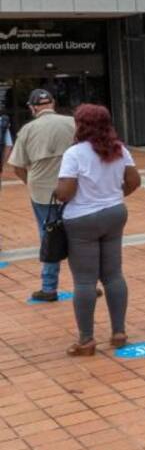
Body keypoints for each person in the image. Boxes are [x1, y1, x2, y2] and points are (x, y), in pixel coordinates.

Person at [56, 104, 141, 357]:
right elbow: (134, 181)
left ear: (81, 125)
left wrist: (57, 190)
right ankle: (118, 331)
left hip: (81, 219)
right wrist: (113, 195)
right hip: (114, 213)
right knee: (113, 275)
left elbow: (65, 193)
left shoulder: (75, 154)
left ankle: (86, 339)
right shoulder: (119, 150)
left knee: (84, 281)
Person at [7, 89, 76, 302]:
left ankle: (48, 288)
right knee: (78, 236)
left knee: (49, 238)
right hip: (72, 188)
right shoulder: (73, 123)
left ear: (33, 107)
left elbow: (17, 167)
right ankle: (86, 284)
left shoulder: (27, 130)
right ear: (53, 103)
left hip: (42, 193)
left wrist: (31, 183)